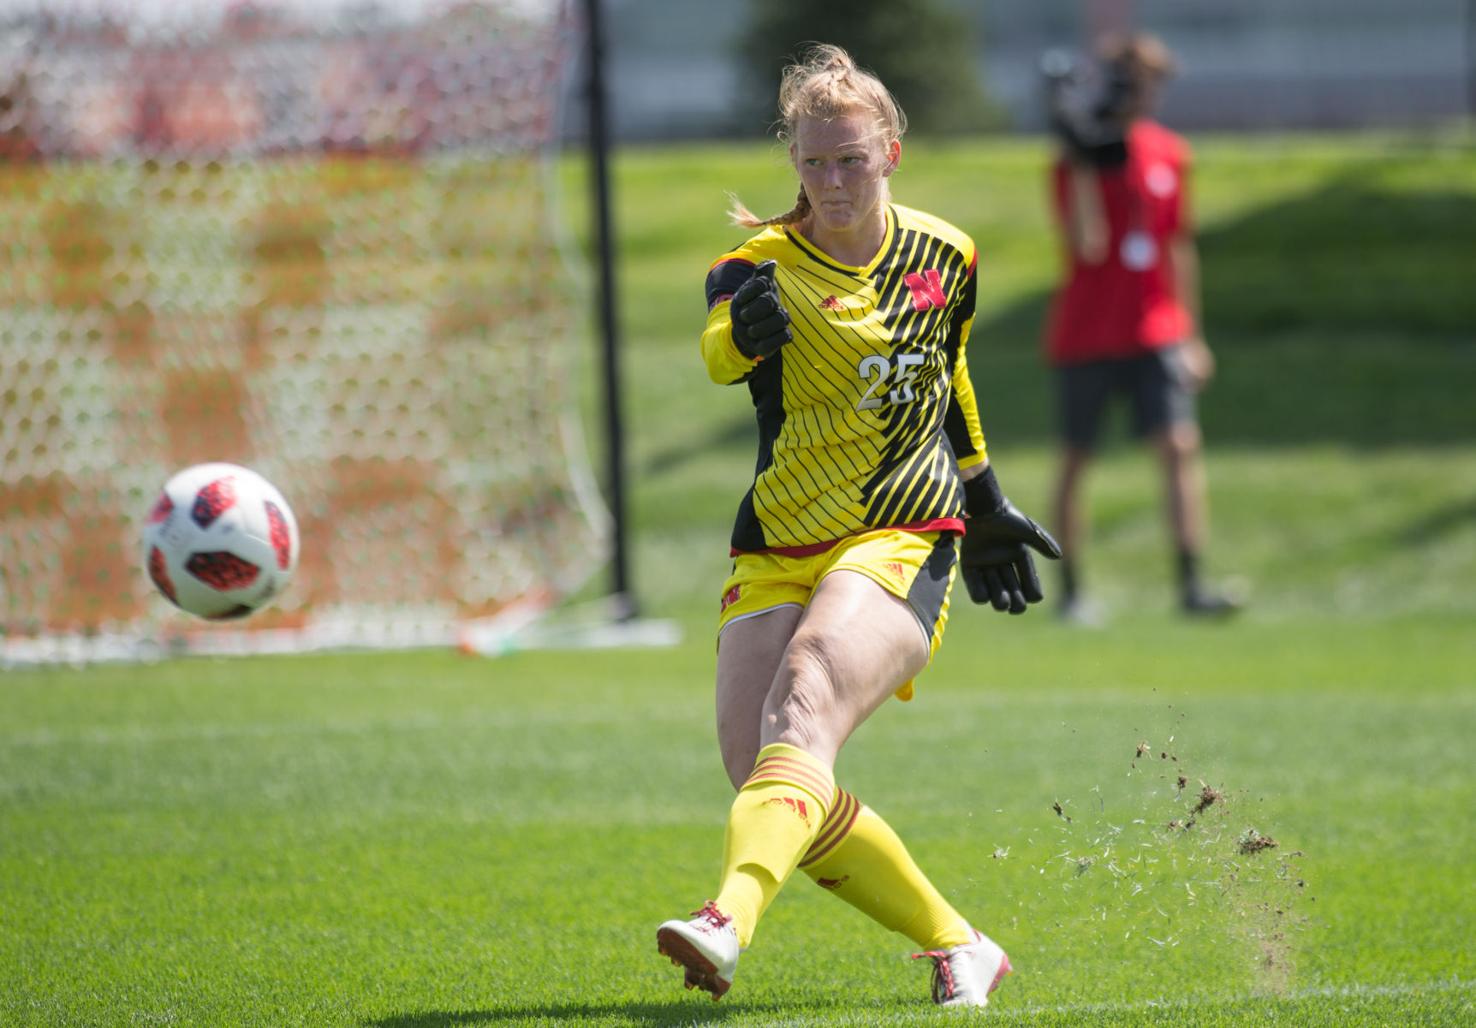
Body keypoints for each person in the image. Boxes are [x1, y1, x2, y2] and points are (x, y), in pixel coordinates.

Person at [654, 44, 1060, 1009]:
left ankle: (724, 924)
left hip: (905, 528)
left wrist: (986, 493)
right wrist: (739, 337)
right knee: (766, 772)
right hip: (778, 540)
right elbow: (719, 350)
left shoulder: (946, 254)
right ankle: (960, 945)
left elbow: (945, 371)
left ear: (891, 153)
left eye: (851, 159)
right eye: (812, 162)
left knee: (806, 692)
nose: (831, 182)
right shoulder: (754, 266)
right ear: (791, 161)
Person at [1042, 32, 1241, 623]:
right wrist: (1078, 157)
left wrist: (1192, 332)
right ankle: (1073, 591)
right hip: (1087, 331)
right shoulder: (1073, 159)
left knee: (1180, 445)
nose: (1147, 96)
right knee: (1076, 458)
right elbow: (1088, 242)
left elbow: (1178, 245)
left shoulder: (1170, 154)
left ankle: (1190, 583)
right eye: (1138, 83)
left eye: (1153, 85)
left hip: (1155, 327)